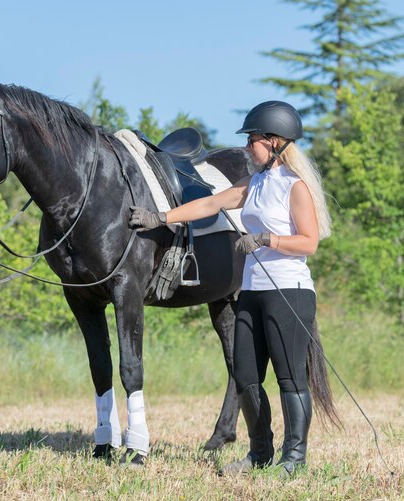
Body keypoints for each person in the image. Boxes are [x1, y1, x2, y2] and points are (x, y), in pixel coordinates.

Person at [129, 100, 338, 476]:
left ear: (274, 142)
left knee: (289, 377)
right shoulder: (253, 183)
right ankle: (259, 454)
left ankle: (294, 459)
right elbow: (209, 203)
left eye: (253, 140)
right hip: (253, 291)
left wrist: (264, 239)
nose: (246, 147)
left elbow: (309, 243)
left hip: (289, 291)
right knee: (245, 375)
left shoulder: (295, 188)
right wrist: (160, 216)